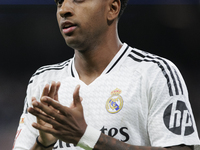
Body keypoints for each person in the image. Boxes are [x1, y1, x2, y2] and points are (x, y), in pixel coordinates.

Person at [13, 0, 200, 150]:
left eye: (78, 0)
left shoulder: (155, 73)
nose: (64, 10)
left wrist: (86, 137)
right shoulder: (43, 81)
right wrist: (44, 144)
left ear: (112, 8)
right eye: (59, 2)